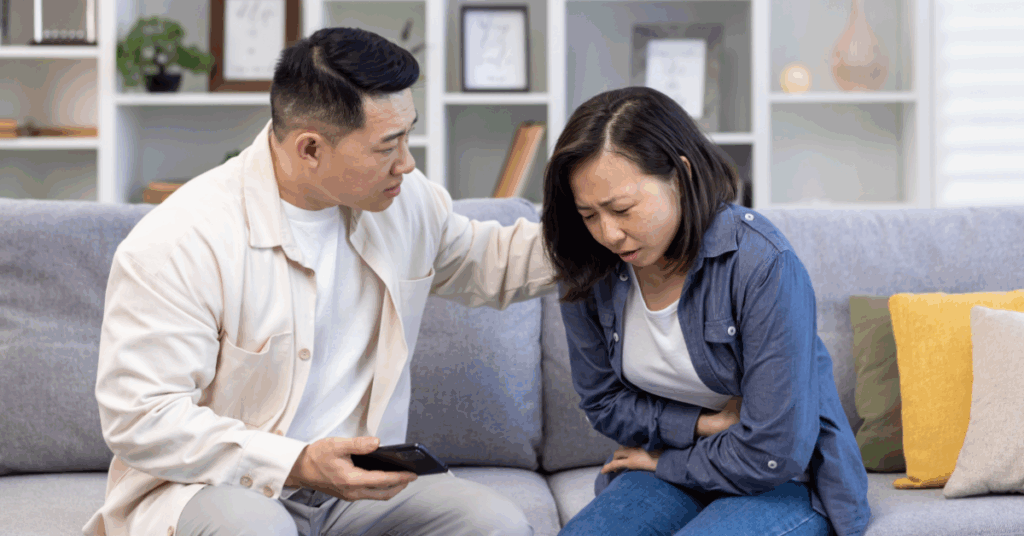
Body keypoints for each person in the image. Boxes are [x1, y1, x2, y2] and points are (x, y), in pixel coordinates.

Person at [84, 27, 555, 536]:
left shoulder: (405, 199)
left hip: (357, 491)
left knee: (494, 524)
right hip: (214, 488)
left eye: (409, 134)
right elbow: (143, 417)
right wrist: (298, 462)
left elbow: (491, 262)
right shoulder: (180, 240)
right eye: (388, 146)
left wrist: (614, 226)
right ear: (310, 149)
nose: (408, 163)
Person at [540, 86, 871, 536]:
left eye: (622, 209)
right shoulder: (588, 266)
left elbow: (775, 448)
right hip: (664, 467)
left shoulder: (761, 263)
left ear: (681, 175)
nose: (609, 234)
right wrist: (703, 424)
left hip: (782, 482)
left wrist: (668, 460)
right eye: (589, 214)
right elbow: (602, 402)